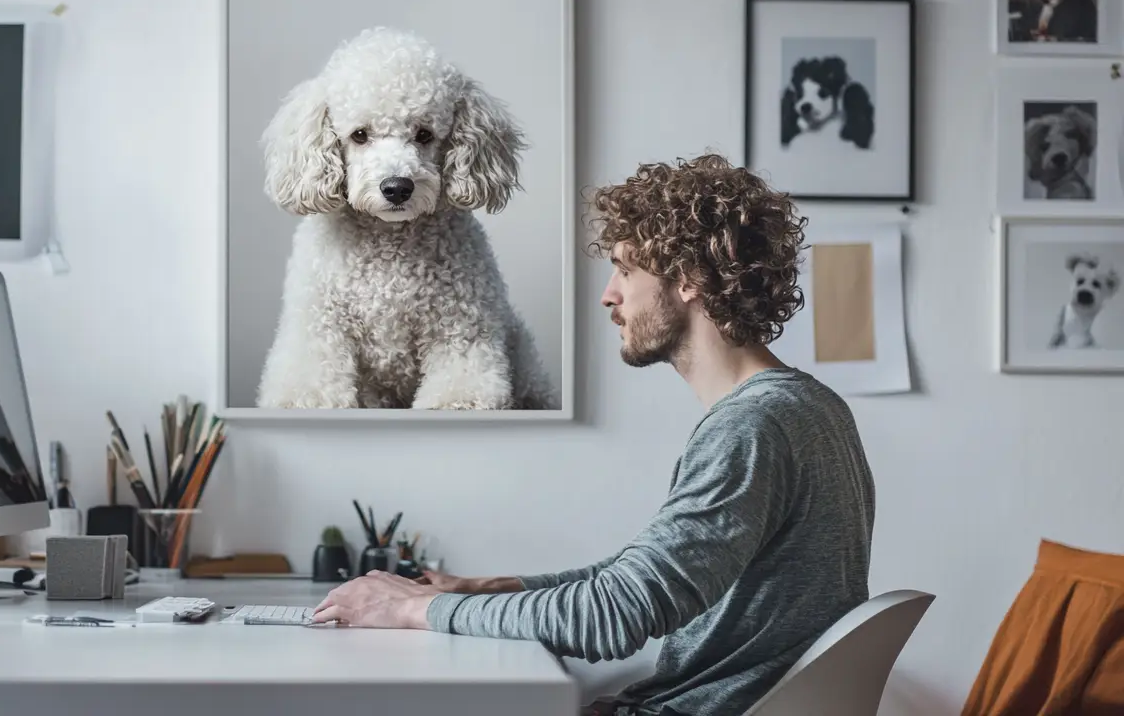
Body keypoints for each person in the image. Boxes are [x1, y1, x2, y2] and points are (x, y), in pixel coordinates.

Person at [311, 154, 877, 716]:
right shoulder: (811, 407)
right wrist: (489, 590)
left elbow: (614, 616)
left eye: (626, 269)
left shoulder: (750, 428)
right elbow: (637, 580)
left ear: (690, 278)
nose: (609, 294)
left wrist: (411, 611)